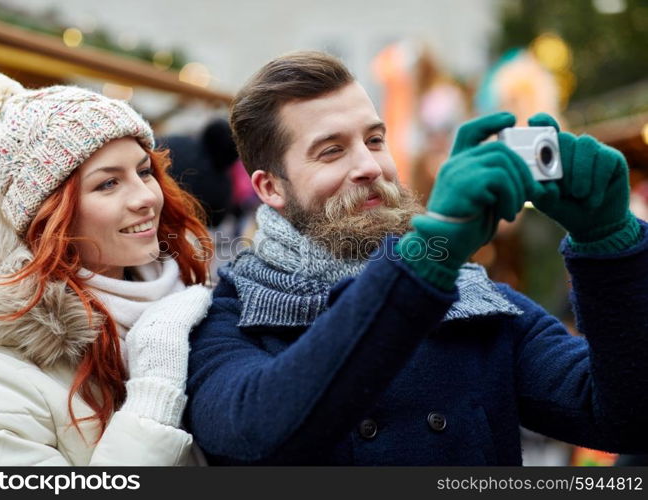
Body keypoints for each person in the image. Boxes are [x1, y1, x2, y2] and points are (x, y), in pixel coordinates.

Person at [185, 51, 648, 465]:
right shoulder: (228, 316)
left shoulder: (475, 299)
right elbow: (260, 428)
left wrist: (608, 244)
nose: (369, 166)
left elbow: (623, 420)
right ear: (271, 188)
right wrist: (432, 253)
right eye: (331, 151)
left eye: (374, 140)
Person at [0, 73, 213, 465]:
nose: (145, 197)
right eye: (108, 184)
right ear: (48, 215)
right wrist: (155, 390)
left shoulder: (189, 296)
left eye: (143, 171)